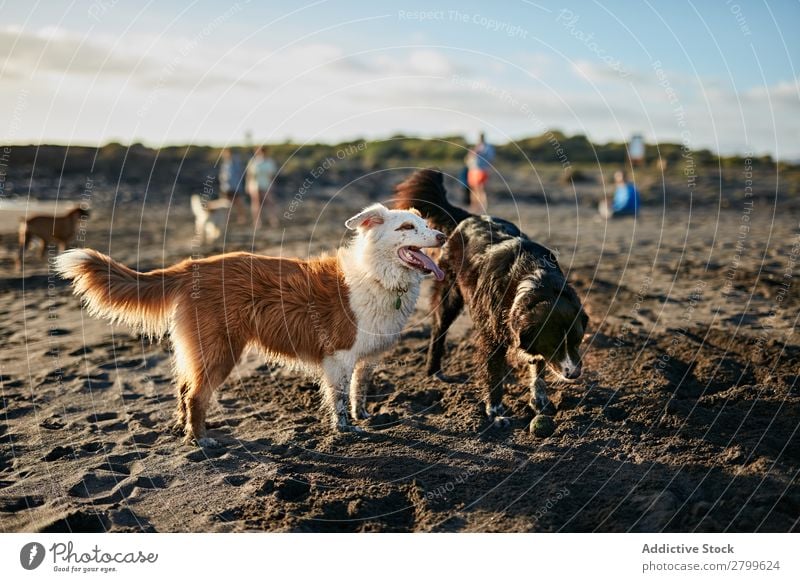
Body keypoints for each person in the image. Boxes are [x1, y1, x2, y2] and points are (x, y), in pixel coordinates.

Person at [246, 146, 278, 228]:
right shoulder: (253, 162)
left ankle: (273, 219)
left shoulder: (269, 162)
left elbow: (271, 176)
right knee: (256, 203)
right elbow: (249, 175)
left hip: (266, 184)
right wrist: (247, 185)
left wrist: (272, 185)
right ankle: (257, 221)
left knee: (269, 202)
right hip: (255, 185)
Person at [466, 132, 495, 214]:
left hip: (482, 170)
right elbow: (469, 158)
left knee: (481, 188)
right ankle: (474, 207)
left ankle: (484, 207)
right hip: (473, 170)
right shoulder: (476, 146)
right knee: (474, 189)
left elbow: (490, 158)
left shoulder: (487, 147)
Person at [219, 148, 247, 224]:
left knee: (239, 203)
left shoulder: (236, 163)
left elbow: (240, 175)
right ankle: (227, 219)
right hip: (226, 188)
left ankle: (241, 218)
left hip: (236, 187)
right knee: (226, 204)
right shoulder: (224, 164)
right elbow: (222, 177)